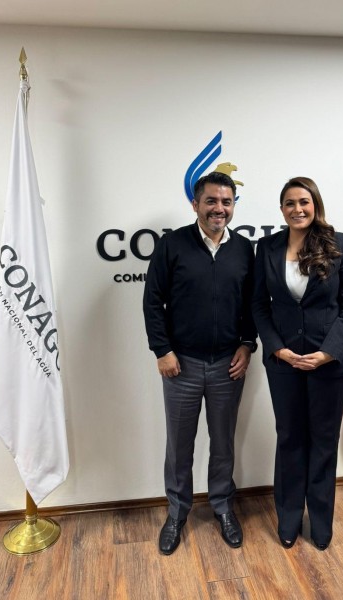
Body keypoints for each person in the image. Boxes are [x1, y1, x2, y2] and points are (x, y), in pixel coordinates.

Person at [143, 171, 258, 556]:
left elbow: (252, 306)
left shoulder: (244, 249)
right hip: (182, 366)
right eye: (211, 201)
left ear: (233, 205)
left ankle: (223, 507)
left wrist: (248, 344)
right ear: (195, 204)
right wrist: (162, 350)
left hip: (228, 366)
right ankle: (177, 512)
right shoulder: (172, 245)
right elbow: (152, 301)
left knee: (223, 443)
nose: (219, 209)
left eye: (226, 202)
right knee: (179, 445)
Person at [251, 176, 343, 551]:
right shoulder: (267, 247)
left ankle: (321, 520)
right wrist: (277, 349)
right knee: (290, 439)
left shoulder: (339, 244)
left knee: (324, 442)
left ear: (315, 204)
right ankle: (288, 517)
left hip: (330, 365)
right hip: (284, 364)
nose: (297, 209)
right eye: (289, 203)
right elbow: (258, 306)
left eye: (304, 202)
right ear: (281, 209)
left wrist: (329, 351)